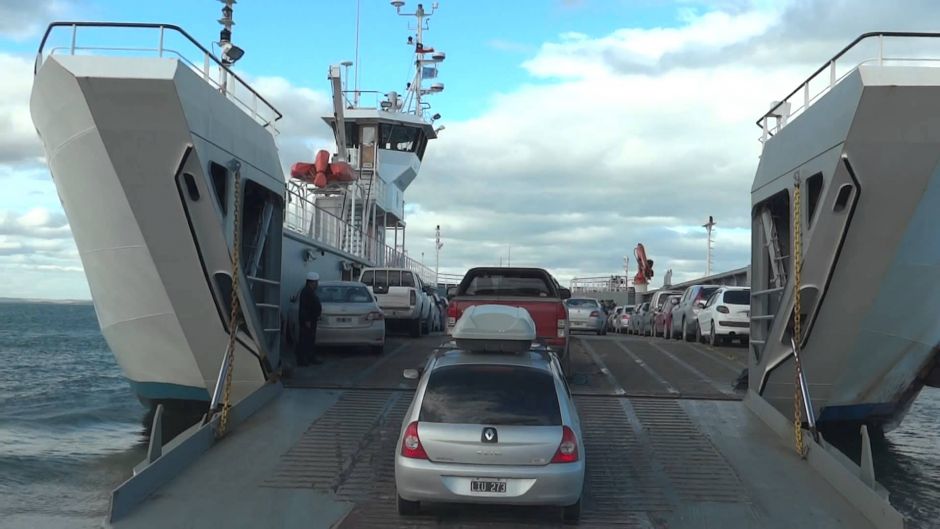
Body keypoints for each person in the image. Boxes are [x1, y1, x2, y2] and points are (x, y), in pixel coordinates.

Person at [297, 272, 323, 366]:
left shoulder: (310, 292)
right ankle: (302, 360)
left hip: (312, 319)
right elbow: (305, 308)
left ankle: (310, 357)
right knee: (305, 340)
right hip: (307, 321)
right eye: (315, 282)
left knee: (310, 340)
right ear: (311, 282)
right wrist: (307, 320)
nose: (317, 284)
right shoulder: (306, 292)